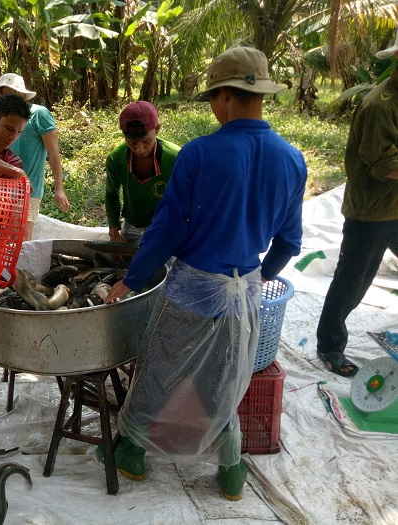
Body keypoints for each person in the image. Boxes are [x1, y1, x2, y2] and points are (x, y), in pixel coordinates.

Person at [101, 47, 307, 501]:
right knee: (225, 377)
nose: (213, 107)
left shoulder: (199, 154)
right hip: (243, 294)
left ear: (227, 98)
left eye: (213, 97)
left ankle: (132, 451)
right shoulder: (292, 160)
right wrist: (252, 276)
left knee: (158, 366)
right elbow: (290, 242)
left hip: (191, 289)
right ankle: (232, 471)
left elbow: (169, 229)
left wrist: (132, 279)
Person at [315, 33, 398, 377]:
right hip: (373, 211)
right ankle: (330, 345)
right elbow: (385, 166)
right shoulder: (380, 105)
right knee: (352, 281)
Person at [0, 73, 70, 240]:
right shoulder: (0, 117)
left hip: (28, 189)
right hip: (1, 186)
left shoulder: (39, 114)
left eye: (12, 93)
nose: (8, 98)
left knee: (22, 240)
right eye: (4, 94)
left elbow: (53, 152)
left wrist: (59, 189)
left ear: (23, 95)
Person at [105, 101, 180, 245]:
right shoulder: (116, 159)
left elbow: (188, 198)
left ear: (157, 129)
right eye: (131, 143)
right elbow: (111, 194)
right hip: (132, 224)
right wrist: (114, 231)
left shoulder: (175, 157)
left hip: (164, 225)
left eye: (146, 141)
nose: (139, 149)